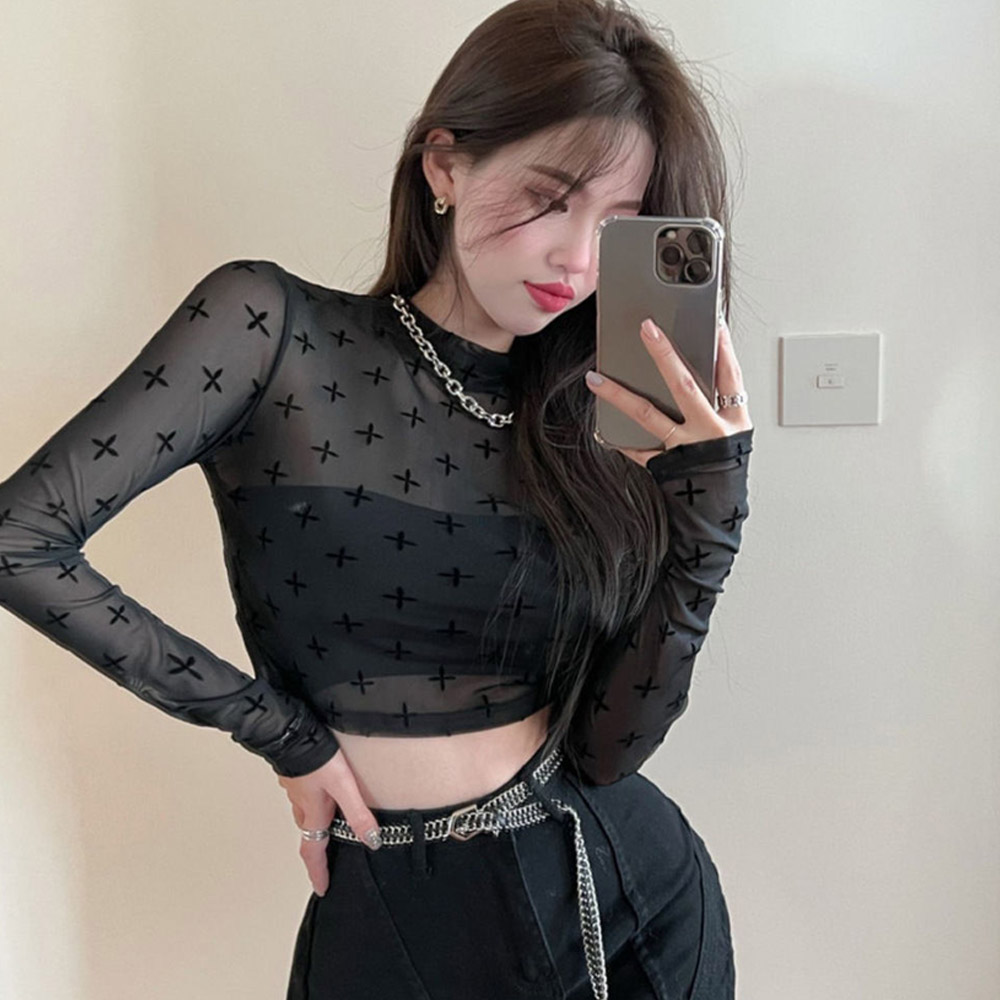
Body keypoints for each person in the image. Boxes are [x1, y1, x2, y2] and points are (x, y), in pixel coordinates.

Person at [0, 0, 755, 997]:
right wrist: (278, 731)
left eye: (618, 224)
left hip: (623, 898)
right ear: (445, 165)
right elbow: (20, 541)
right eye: (550, 197)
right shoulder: (274, 333)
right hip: (389, 913)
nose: (578, 260)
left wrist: (709, 512)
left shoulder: (587, 421)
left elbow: (608, 751)